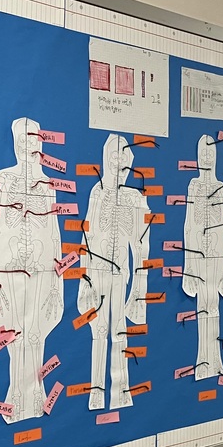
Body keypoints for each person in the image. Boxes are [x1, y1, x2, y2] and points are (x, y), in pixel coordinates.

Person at [0, 118, 63, 420]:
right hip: (10, 270)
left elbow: (55, 234)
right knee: (15, 332)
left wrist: (58, 285)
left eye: (36, 142)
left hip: (43, 268)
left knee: (36, 334)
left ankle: (34, 396)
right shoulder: (3, 179)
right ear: (17, 144)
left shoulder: (48, 184)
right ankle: (18, 396)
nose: (31, 147)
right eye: (25, 142)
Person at [78, 135, 150, 411]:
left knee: (119, 329)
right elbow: (87, 234)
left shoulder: (134, 197)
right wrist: (84, 280)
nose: (120, 161)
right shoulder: (97, 192)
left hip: (121, 273)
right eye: (114, 155)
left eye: (124, 156)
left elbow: (142, 243)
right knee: (99, 330)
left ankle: (121, 391)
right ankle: (96, 392)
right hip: (96, 272)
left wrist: (140, 290)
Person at [183, 135, 223, 380]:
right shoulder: (193, 185)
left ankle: (215, 360)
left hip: (216, 255)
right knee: (202, 307)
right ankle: (204, 361)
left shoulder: (220, 186)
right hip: (199, 256)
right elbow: (188, 225)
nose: (206, 157)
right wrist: (188, 268)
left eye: (210, 154)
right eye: (203, 153)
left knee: (213, 307)